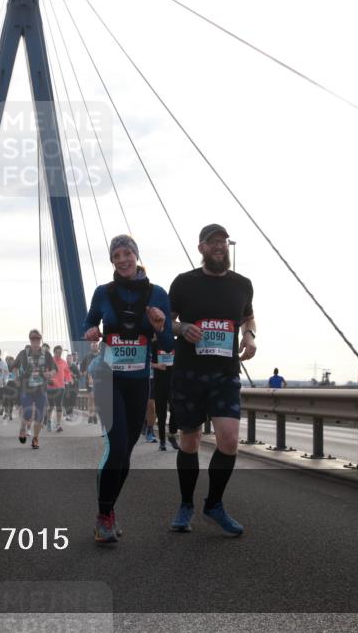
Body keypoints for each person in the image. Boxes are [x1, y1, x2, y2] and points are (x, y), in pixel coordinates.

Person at [83, 235, 173, 542]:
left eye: (127, 253)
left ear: (136, 255)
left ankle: (108, 509)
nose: (122, 259)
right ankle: (104, 516)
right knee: (117, 445)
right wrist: (92, 332)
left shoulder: (158, 294)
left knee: (126, 453)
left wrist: (160, 327)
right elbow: (87, 326)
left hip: (139, 382)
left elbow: (169, 345)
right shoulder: (103, 293)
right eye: (116, 255)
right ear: (112, 260)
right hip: (108, 380)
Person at [168, 224, 256, 538]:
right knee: (189, 442)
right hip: (189, 371)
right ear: (202, 248)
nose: (220, 246)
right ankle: (185, 504)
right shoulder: (183, 282)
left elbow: (248, 315)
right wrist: (182, 329)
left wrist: (250, 335)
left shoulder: (242, 284)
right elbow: (167, 321)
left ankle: (214, 504)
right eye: (213, 242)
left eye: (224, 242)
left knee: (229, 441)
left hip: (225, 373)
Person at [12, 329, 57, 449]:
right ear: (30, 339)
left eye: (37, 338)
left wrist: (50, 374)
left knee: (39, 415)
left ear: (40, 339)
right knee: (27, 413)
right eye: (33, 338)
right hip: (26, 388)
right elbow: (14, 366)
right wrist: (16, 378)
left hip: (41, 389)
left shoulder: (46, 354)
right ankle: (23, 427)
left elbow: (54, 369)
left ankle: (35, 439)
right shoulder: (23, 353)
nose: (35, 340)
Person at [47, 345, 72, 432]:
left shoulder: (64, 362)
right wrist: (48, 379)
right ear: (54, 352)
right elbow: (45, 372)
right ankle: (49, 422)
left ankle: (58, 425)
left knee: (59, 405)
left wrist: (69, 380)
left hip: (61, 387)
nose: (59, 354)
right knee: (50, 406)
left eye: (60, 353)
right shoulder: (50, 361)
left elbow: (67, 373)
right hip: (50, 387)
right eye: (57, 353)